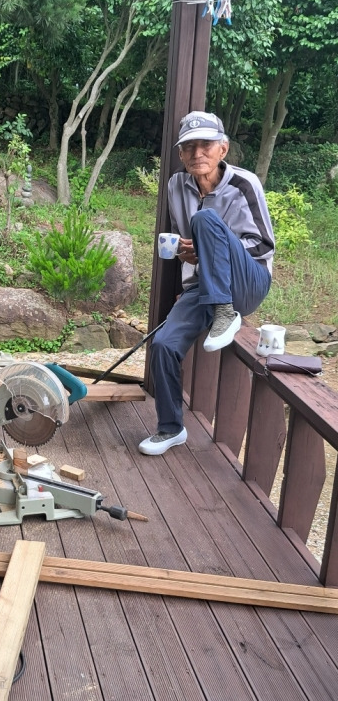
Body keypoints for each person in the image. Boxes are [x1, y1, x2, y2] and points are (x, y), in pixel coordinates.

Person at [139, 110, 275, 456]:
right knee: (164, 345)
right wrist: (190, 252)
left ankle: (226, 313)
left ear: (223, 149)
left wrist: (209, 248)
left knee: (206, 219)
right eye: (189, 147)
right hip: (202, 285)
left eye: (206, 145)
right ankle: (170, 428)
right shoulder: (175, 185)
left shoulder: (245, 184)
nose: (198, 153)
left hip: (247, 281)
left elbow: (262, 245)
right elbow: (187, 240)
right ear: (181, 154)